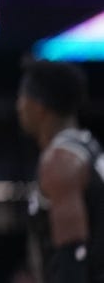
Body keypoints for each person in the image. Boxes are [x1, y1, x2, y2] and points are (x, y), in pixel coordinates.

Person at [18, 59, 104, 282]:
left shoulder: (59, 161)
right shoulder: (89, 146)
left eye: (22, 97)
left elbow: (73, 253)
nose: (19, 105)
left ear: (38, 106)